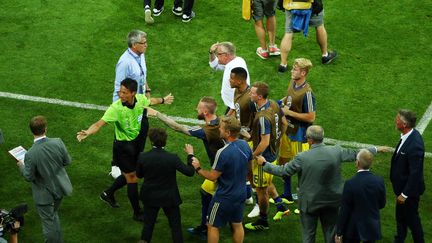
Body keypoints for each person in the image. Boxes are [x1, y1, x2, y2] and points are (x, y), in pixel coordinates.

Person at [257, 125, 384, 243]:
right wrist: (375, 149)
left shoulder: (302, 157)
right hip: (333, 201)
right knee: (331, 235)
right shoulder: (336, 151)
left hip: (309, 203)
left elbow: (283, 171)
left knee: (308, 236)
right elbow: (356, 153)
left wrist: (264, 164)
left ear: (310, 140)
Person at [77, 78, 173, 222]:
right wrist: (88, 132)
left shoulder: (140, 100)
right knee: (132, 178)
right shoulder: (116, 108)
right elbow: (99, 124)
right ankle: (137, 213)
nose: (120, 95)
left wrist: (163, 100)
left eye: (124, 92)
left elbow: (150, 101)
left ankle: (108, 193)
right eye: (120, 91)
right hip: (123, 148)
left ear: (133, 93)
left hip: (135, 143)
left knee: (135, 173)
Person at [146, 96, 224, 238]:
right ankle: (204, 227)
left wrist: (157, 114)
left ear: (205, 112)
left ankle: (210, 228)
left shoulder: (207, 131)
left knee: (220, 202)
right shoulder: (222, 121)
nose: (196, 109)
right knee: (205, 192)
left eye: (198, 107)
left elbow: (178, 127)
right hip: (226, 166)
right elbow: (241, 130)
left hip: (222, 172)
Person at [190, 116, 253, 243]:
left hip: (224, 197)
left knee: (212, 225)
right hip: (241, 194)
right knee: (237, 224)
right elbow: (249, 169)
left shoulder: (222, 152)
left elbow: (213, 177)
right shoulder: (245, 145)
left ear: (228, 132)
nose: (219, 129)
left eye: (221, 128)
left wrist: (198, 168)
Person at [17, 116, 72, 243]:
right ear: (45, 129)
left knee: (48, 222)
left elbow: (28, 176)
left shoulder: (30, 154)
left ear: (31, 131)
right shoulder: (58, 142)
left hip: (44, 194)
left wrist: (21, 166)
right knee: (52, 216)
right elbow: (67, 161)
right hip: (60, 187)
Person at [244, 82, 290, 231]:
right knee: (265, 182)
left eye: (252, 93)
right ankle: (280, 205)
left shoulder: (263, 117)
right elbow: (284, 123)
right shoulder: (274, 104)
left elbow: (263, 142)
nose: (250, 94)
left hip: (263, 157)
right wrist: (277, 140)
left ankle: (263, 221)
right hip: (273, 152)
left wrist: (253, 155)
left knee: (261, 190)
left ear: (259, 96)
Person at [136, 128, 195, 243]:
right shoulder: (172, 157)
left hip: (150, 196)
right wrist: (190, 155)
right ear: (165, 141)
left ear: (151, 141)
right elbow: (190, 172)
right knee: (175, 227)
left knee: (148, 226)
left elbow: (139, 174)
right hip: (169, 197)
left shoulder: (143, 156)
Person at [110, 30, 152, 178]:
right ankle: (115, 163)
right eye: (143, 43)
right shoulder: (125, 62)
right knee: (123, 136)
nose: (146, 45)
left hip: (139, 102)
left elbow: (142, 74)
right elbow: (119, 87)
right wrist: (122, 109)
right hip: (126, 105)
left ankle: (135, 162)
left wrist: (147, 89)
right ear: (134, 45)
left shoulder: (141, 55)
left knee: (141, 131)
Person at [278, 58, 316, 204]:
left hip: (300, 135)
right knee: (284, 161)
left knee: (302, 169)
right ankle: (287, 193)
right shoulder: (293, 82)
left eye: (295, 69)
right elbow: (288, 97)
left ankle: (303, 200)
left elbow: (311, 117)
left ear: (303, 72)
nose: (292, 71)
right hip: (288, 130)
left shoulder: (307, 93)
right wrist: (279, 103)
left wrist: (289, 112)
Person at [335, 149, 386, 243]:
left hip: (353, 228)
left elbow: (344, 210)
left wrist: (339, 232)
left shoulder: (350, 183)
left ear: (357, 163)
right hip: (371, 227)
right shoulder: (379, 181)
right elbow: (382, 204)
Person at [391, 109, 425, 243]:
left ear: (404, 124)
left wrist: (404, 195)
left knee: (412, 219)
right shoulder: (407, 136)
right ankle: (399, 239)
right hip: (402, 190)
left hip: (408, 193)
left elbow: (415, 173)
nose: (395, 121)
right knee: (400, 217)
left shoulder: (415, 144)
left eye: (397, 119)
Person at [277, 0, 337, 73]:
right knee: (319, 26)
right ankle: (325, 55)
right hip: (313, 4)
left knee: (288, 33)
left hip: (291, 5)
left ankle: (283, 65)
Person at [208, 42, 250, 114]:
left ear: (226, 55)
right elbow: (215, 65)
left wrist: (228, 115)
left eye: (218, 54)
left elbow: (242, 92)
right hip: (233, 104)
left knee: (227, 124)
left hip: (236, 107)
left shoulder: (236, 68)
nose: (217, 56)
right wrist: (211, 52)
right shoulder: (235, 60)